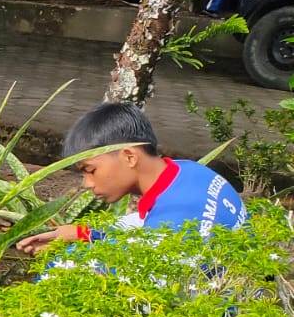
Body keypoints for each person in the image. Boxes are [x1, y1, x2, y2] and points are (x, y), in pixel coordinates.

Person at [16, 103, 246, 255]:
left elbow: (141, 255)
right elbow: (141, 233)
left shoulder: (172, 222)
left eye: (90, 170)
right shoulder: (189, 172)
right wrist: (83, 234)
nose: (87, 183)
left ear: (129, 157)